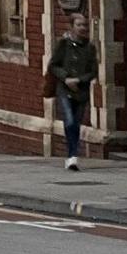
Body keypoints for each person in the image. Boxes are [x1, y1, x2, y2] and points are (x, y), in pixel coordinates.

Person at [46, 12, 98, 171]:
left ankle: (72, 154)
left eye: (85, 25)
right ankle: (72, 155)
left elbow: (93, 71)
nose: (83, 28)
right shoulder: (63, 44)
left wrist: (80, 80)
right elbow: (53, 65)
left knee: (76, 123)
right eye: (79, 25)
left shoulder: (89, 47)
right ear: (72, 26)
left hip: (81, 92)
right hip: (64, 90)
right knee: (68, 121)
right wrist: (66, 78)